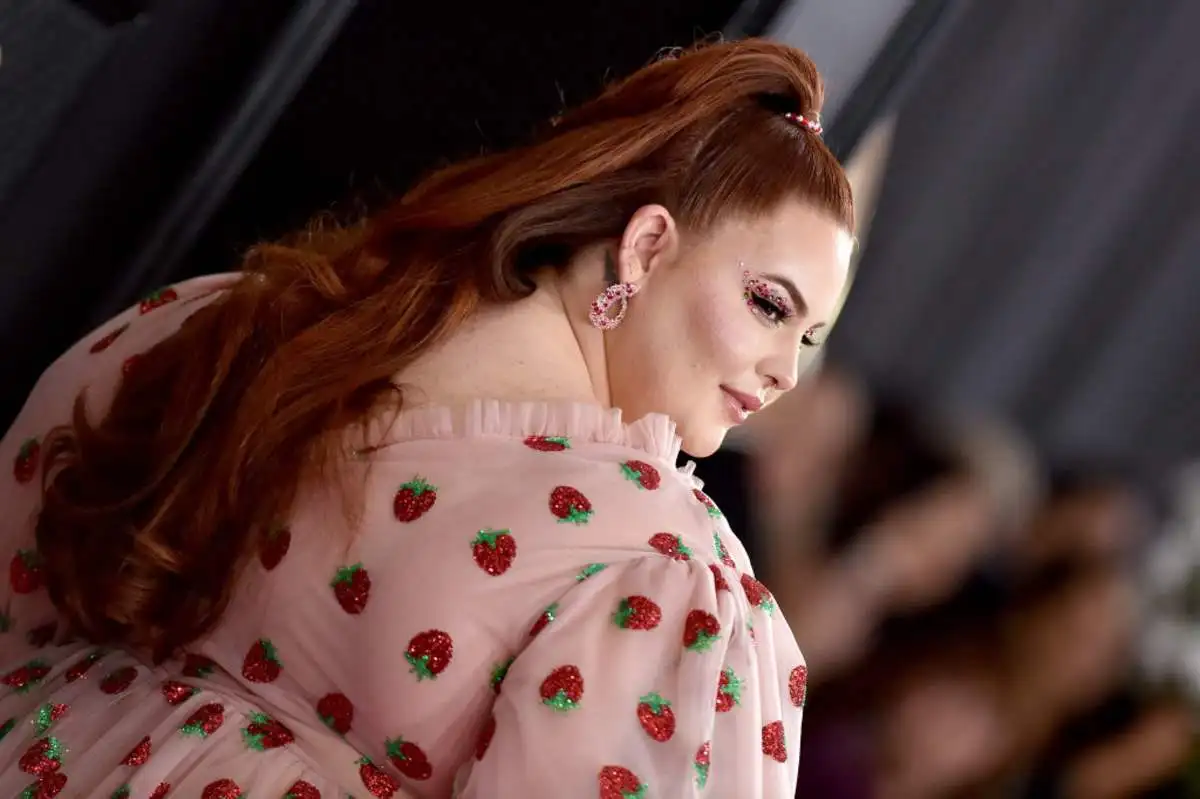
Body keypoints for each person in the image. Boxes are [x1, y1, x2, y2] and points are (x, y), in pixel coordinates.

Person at [0, 38, 854, 799]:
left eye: (811, 339)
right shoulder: (657, 567)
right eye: (769, 305)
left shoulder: (252, 327)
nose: (784, 371)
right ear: (646, 245)